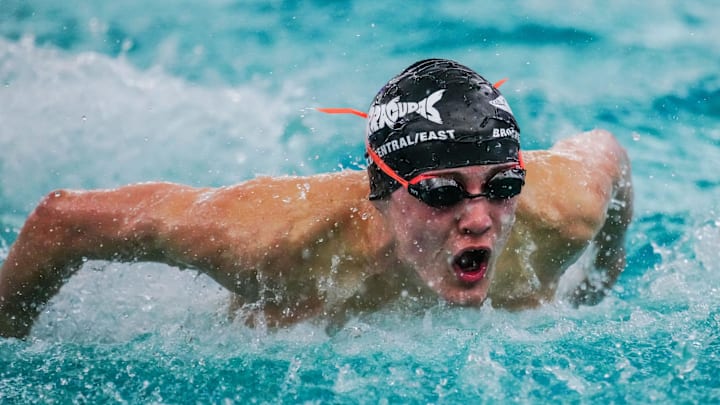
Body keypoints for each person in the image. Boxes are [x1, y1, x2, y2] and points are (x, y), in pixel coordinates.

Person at [0, 59, 633, 338]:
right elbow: (63, 221)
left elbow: (611, 153)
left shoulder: (562, 211)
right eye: (441, 193)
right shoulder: (272, 240)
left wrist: (600, 284)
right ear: (382, 191)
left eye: (501, 187)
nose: (479, 218)